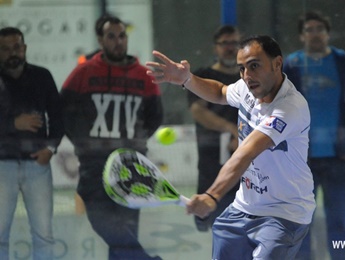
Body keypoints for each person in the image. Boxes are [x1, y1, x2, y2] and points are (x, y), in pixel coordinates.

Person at [146, 35, 316, 260]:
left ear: (277, 63)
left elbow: (245, 153)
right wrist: (187, 79)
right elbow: (220, 92)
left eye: (254, 65)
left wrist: (211, 195)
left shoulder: (290, 107)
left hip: (284, 214)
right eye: (242, 69)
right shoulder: (248, 88)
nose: (247, 76)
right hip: (242, 209)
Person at [60, 16, 163, 260]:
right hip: (94, 166)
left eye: (122, 36)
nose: (118, 42)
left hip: (132, 167)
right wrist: (83, 144)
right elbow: (63, 110)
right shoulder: (83, 73)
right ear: (100, 40)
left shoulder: (143, 75)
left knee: (124, 236)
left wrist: (133, 143)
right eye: (111, 36)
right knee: (106, 225)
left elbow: (155, 117)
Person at [282, 10, 345, 260]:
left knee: (338, 224)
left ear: (328, 33)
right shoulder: (291, 64)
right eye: (309, 29)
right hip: (301, 162)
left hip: (339, 159)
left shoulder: (344, 62)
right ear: (301, 35)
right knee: (301, 224)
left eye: (320, 29)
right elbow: (280, 108)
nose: (315, 34)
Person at [0, 27, 64, 260]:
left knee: (44, 234)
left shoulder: (41, 76)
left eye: (16, 47)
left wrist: (51, 148)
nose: (12, 53)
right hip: (1, 165)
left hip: (37, 165)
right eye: (5, 49)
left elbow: (58, 117)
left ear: (24, 48)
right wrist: (12, 123)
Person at [187, 25, 241, 231]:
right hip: (211, 166)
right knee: (210, 224)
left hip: (244, 170)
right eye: (224, 43)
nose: (229, 48)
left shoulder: (250, 80)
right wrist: (232, 130)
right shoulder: (203, 75)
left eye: (234, 43)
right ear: (215, 48)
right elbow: (198, 111)